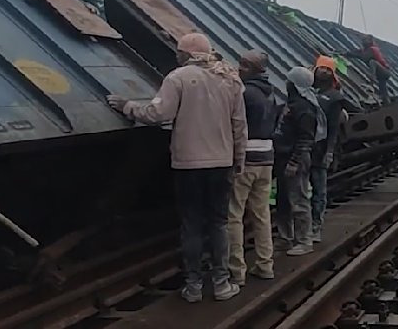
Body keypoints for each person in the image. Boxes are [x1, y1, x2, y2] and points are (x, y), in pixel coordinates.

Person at [106, 33, 246, 304]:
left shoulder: (178, 78)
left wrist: (128, 106)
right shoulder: (230, 79)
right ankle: (221, 284)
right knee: (218, 224)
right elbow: (239, 126)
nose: (176, 55)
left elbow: (158, 114)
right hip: (221, 164)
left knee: (191, 225)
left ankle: (193, 287)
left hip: (188, 164)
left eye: (178, 51)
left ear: (186, 54)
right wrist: (238, 160)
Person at [227, 50, 279, 287]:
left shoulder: (244, 92)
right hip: (267, 158)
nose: (239, 68)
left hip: (246, 158)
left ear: (255, 69)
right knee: (261, 214)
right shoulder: (271, 94)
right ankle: (266, 265)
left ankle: (237, 270)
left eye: (245, 65)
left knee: (234, 214)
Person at [274, 67, 325, 256]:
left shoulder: (304, 109)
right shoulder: (294, 104)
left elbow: (306, 139)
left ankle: (304, 240)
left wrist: (294, 162)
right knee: (283, 200)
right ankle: (285, 237)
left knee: (298, 199)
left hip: (295, 158)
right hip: (284, 157)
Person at [310, 56, 360, 243]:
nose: (322, 72)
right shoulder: (310, 93)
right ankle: (304, 226)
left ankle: (316, 226)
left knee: (319, 191)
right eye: (320, 68)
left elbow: (332, 129)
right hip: (306, 148)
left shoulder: (335, 98)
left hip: (321, 149)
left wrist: (329, 152)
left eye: (326, 69)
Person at [344, 35, 391, 104]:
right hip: (381, 74)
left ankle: (371, 83)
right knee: (383, 90)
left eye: (365, 40)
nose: (363, 42)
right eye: (363, 40)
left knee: (372, 62)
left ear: (370, 41)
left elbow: (364, 57)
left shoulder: (372, 49)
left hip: (384, 71)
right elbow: (356, 52)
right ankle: (387, 102)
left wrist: (356, 55)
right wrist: (347, 54)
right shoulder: (365, 50)